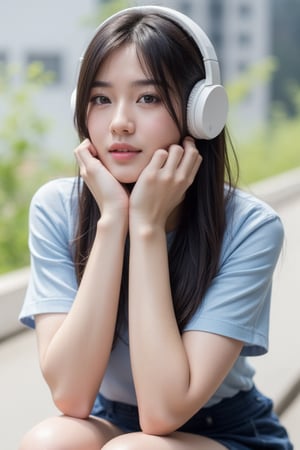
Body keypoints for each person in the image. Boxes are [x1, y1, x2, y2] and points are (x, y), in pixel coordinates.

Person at [18, 5, 293, 450]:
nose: (119, 122)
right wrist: (113, 221)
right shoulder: (57, 209)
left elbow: (164, 411)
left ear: (201, 112)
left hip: (227, 432)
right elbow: (70, 395)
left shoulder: (249, 226)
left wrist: (145, 226)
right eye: (101, 99)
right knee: (49, 441)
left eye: (148, 98)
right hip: (114, 422)